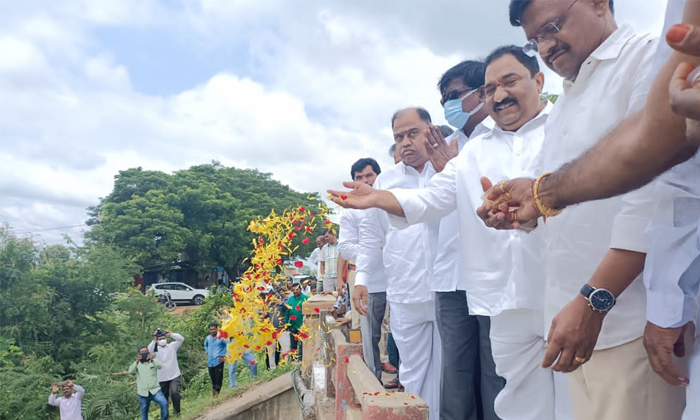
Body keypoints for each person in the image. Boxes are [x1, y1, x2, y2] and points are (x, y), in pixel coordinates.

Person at [471, 1, 686, 419]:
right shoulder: (568, 99)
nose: (547, 46)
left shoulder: (646, 58)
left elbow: (656, 198)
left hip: (628, 324)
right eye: (536, 40)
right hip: (577, 324)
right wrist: (525, 210)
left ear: (598, 3)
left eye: (553, 26)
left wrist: (593, 301)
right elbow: (570, 198)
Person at [329, 45, 569, 420]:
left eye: (509, 82)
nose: (500, 96)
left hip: (564, 290)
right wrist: (379, 198)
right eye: (491, 89)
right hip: (499, 298)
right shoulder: (471, 155)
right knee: (505, 397)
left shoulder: (567, 126)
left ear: (538, 81)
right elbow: (429, 201)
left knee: (575, 397)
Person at [354, 107, 442, 420]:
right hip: (406, 292)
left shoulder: (450, 172)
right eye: (398, 137)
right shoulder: (385, 184)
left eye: (412, 133)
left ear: (430, 130)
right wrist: (361, 278)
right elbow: (369, 237)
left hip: (451, 293)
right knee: (413, 373)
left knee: (453, 374)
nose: (405, 142)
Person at [434, 59, 502, 420]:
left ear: (481, 92)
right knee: (455, 374)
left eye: (456, 95)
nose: (450, 104)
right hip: (450, 277)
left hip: (492, 274)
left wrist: (453, 168)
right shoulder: (445, 147)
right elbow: (426, 204)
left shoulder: (504, 136)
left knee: (497, 372)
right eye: (445, 98)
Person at [338, 158, 392, 381]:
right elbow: (345, 247)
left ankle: (406, 381)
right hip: (370, 282)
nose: (364, 181)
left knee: (402, 332)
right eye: (358, 178)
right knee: (370, 335)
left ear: (378, 176)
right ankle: (373, 383)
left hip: (402, 279)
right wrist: (374, 248)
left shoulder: (390, 201)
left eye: (369, 176)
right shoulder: (350, 211)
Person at [147, 330, 184, 416]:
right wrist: (154, 340)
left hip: (174, 375)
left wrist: (171, 334)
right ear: (157, 340)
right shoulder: (155, 351)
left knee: (174, 392)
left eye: (163, 338)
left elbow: (181, 339)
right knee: (164, 397)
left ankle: (177, 412)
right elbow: (149, 350)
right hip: (162, 378)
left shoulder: (172, 346)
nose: (162, 340)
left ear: (166, 338)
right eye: (160, 339)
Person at [129, 348, 169, 420]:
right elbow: (130, 371)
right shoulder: (137, 364)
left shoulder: (153, 362)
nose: (144, 353)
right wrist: (137, 361)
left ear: (148, 352)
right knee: (144, 412)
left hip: (155, 390)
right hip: (143, 393)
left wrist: (152, 359)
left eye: (145, 351)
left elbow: (160, 366)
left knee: (164, 403)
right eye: (142, 352)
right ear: (139, 354)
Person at [204, 322, 227, 398]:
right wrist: (207, 351)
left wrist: (225, 357)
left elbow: (228, 345)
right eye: (211, 330)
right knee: (213, 380)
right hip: (210, 362)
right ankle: (214, 396)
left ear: (217, 329)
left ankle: (216, 396)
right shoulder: (208, 338)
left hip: (219, 361)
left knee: (218, 379)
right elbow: (206, 345)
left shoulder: (221, 338)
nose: (212, 331)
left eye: (214, 329)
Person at [286, 283, 309, 359]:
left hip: (302, 325)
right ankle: (293, 359)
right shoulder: (291, 299)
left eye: (297, 289)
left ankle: (301, 359)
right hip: (292, 325)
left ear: (301, 289)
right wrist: (286, 323)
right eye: (293, 290)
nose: (295, 291)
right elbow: (287, 311)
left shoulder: (306, 298)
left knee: (302, 344)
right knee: (293, 344)